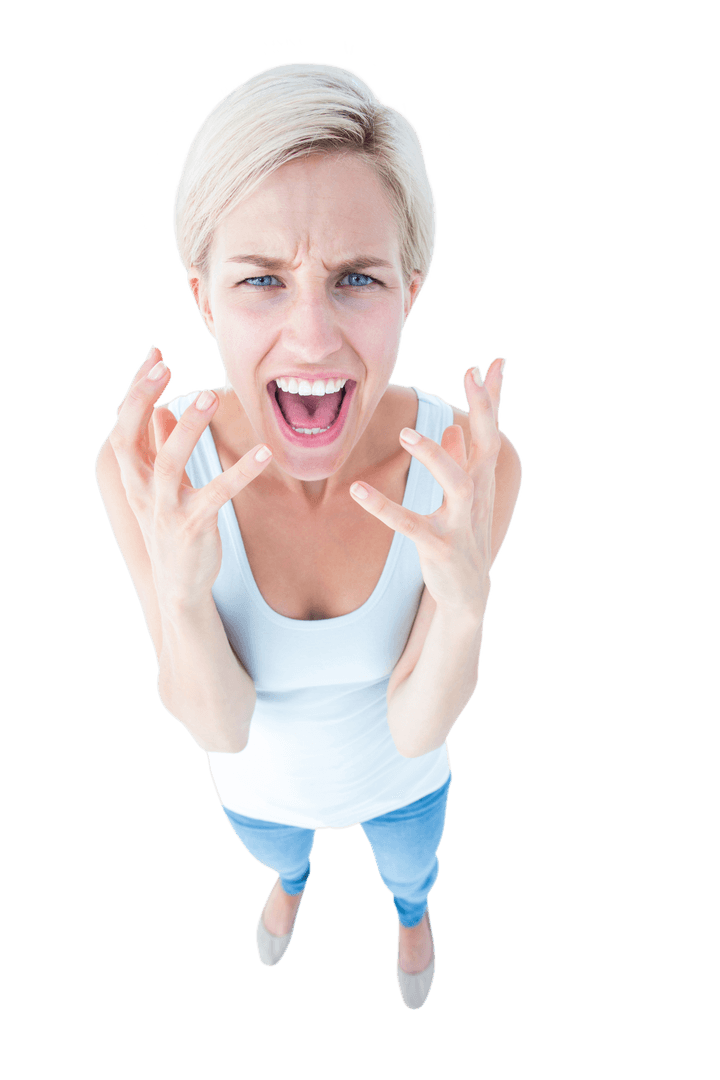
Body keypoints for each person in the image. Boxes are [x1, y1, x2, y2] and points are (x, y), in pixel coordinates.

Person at [94, 61, 523, 1010]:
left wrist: (463, 604)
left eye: (357, 278)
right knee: (279, 859)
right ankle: (289, 886)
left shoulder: (469, 463)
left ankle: (412, 916)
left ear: (411, 287)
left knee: (413, 868)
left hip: (404, 784)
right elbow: (219, 723)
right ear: (202, 294)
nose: (314, 338)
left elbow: (418, 726)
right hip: (260, 797)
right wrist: (181, 586)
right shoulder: (147, 467)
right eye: (260, 281)